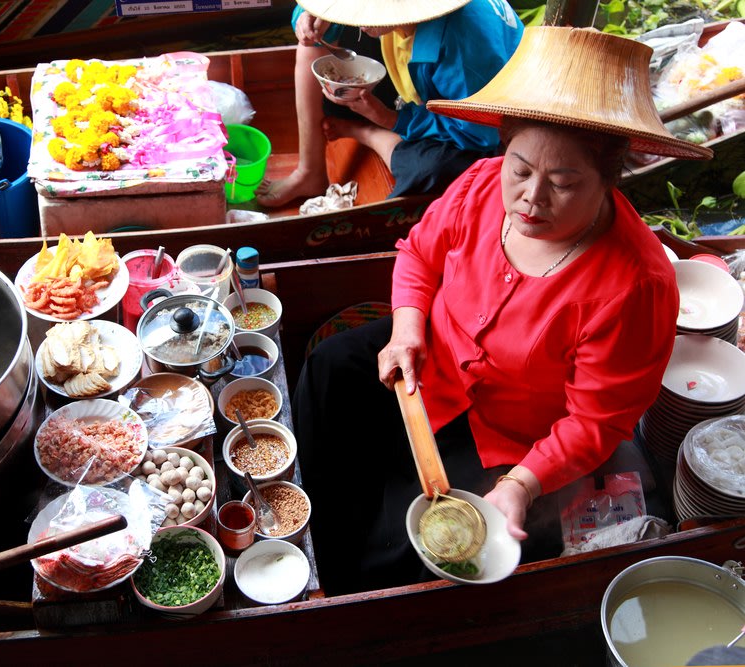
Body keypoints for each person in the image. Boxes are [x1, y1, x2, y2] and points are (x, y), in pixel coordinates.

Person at [293, 26, 713, 596]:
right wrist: (408, 329)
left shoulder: (635, 285)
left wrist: (523, 484)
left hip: (512, 435)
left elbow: (595, 422)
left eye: (563, 183)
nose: (530, 198)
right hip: (430, 359)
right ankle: (305, 517)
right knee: (332, 366)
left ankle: (347, 593)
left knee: (415, 546)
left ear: (610, 180)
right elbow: (419, 254)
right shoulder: (481, 183)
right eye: (521, 170)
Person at [254, 0, 522, 208]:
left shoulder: (463, 48)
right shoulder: (400, 15)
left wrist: (390, 120)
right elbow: (315, 18)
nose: (355, 17)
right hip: (423, 88)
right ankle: (309, 171)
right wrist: (316, 18)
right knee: (315, 45)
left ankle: (369, 133)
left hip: (485, 132)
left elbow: (478, 134)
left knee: (428, 171)